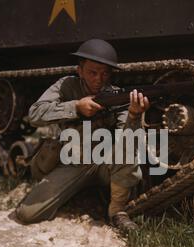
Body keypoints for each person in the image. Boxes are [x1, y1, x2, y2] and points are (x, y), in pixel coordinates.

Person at [15, 39, 150, 232]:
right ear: (80, 70)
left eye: (105, 73)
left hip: (105, 163)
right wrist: (75, 107)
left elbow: (128, 142)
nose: (99, 79)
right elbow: (34, 114)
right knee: (27, 213)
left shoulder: (117, 96)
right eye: (92, 72)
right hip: (72, 162)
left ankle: (117, 211)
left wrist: (134, 116)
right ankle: (81, 193)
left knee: (126, 150)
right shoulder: (66, 86)